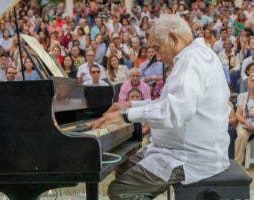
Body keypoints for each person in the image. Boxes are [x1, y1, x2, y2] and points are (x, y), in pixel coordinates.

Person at [91, 15, 230, 199]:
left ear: (174, 39)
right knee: (125, 166)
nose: (158, 56)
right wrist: (130, 104)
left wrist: (126, 115)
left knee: (120, 190)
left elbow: (176, 111)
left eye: (157, 48)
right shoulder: (197, 56)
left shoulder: (190, 61)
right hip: (178, 149)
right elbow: (169, 103)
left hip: (190, 157)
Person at [235, 73, 254, 164]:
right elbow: (238, 114)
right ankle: (238, 163)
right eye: (252, 81)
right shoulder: (243, 96)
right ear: (248, 83)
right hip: (244, 125)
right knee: (241, 135)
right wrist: (245, 122)